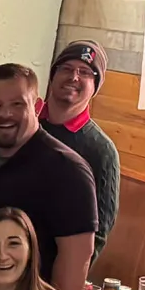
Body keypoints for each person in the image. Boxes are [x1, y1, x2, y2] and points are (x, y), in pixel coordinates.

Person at [0, 63, 97, 290]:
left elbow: (76, 260)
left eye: (17, 104)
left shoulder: (67, 170)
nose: (5, 114)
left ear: (37, 106)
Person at [43, 40, 121, 256]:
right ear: (53, 75)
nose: (74, 77)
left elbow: (99, 233)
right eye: (66, 68)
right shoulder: (26, 126)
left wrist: (68, 280)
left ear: (95, 86)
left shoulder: (102, 150)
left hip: (52, 275)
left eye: (85, 72)